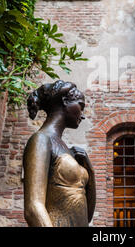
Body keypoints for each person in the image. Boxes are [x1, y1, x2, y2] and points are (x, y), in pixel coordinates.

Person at [23, 80, 95, 227]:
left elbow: (87, 216)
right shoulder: (41, 140)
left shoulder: (65, 149)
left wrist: (90, 172)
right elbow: (33, 208)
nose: (82, 115)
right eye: (80, 106)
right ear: (64, 101)